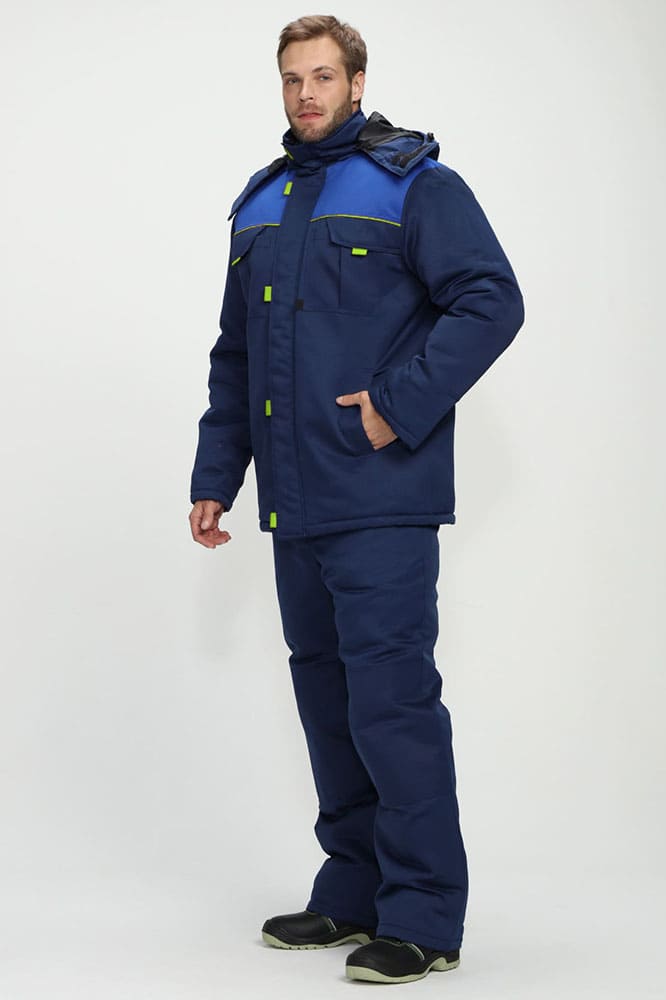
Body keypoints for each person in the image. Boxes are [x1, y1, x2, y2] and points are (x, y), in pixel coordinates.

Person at [189, 13, 524, 986]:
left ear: (357, 81)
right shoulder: (260, 205)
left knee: (392, 704)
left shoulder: (414, 184)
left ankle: (423, 918)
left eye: (324, 76)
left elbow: (491, 300)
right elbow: (236, 357)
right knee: (328, 704)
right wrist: (216, 477)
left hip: (380, 497)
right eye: (293, 78)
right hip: (295, 503)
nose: (307, 93)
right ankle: (353, 888)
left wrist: (396, 403)